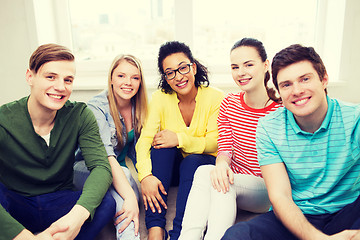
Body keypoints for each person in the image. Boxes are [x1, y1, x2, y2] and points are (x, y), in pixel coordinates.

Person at [222, 44, 360, 240]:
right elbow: (280, 196)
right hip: (296, 214)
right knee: (237, 235)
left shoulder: (355, 118)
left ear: (324, 79)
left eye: (305, 79)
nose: (297, 90)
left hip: (349, 210)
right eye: (286, 84)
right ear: (278, 91)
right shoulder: (269, 127)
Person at [0, 43, 115, 240]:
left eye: (68, 80)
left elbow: (101, 168)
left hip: (58, 202)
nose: (60, 87)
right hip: (16, 202)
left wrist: (76, 217)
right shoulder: (4, 119)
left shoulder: (80, 115)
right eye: (50, 77)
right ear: (30, 77)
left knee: (106, 203)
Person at [179, 38, 282, 240]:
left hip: (266, 188)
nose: (241, 72)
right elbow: (225, 146)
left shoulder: (280, 110)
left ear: (265, 65)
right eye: (235, 67)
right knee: (205, 171)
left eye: (248, 65)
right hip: (235, 179)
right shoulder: (229, 102)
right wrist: (221, 165)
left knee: (225, 183)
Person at [135, 41, 224, 240]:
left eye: (182, 67)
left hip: (203, 167)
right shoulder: (160, 98)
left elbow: (214, 143)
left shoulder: (215, 97)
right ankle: (155, 230)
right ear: (165, 77)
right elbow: (144, 141)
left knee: (192, 159)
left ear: (193, 67)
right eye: (170, 72)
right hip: (175, 169)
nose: (178, 77)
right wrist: (145, 176)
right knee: (160, 147)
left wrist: (179, 139)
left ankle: (178, 233)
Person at [74, 54, 147, 239]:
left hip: (117, 171)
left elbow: (140, 152)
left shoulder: (138, 107)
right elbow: (105, 157)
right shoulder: (96, 107)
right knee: (127, 184)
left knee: (125, 194)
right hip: (86, 169)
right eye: (121, 76)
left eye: (135, 77)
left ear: (140, 82)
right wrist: (131, 196)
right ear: (111, 78)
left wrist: (147, 178)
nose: (128, 82)